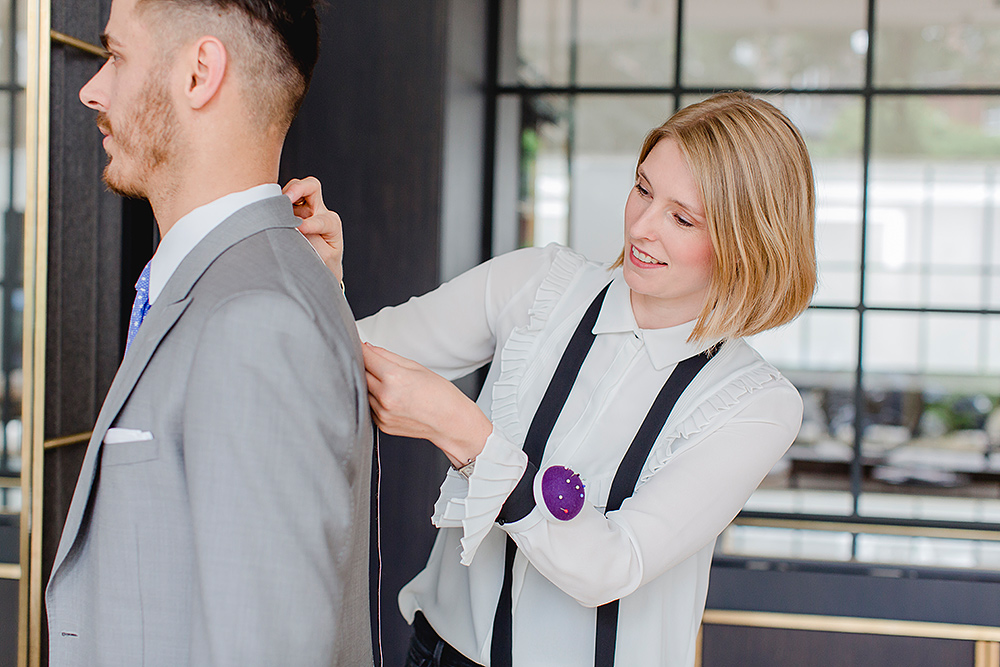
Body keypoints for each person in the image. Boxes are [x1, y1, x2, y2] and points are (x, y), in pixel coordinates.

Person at [288, 91, 816, 667]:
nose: (641, 227)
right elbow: (345, 359)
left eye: (682, 218)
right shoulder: (540, 284)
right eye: (642, 189)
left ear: (748, 243)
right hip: (437, 654)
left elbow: (611, 565)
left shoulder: (753, 405)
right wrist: (324, 281)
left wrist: (468, 436)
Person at [45, 1, 372, 665]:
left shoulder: (257, 319)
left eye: (117, 55)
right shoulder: (257, 282)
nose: (91, 88)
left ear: (199, 73)